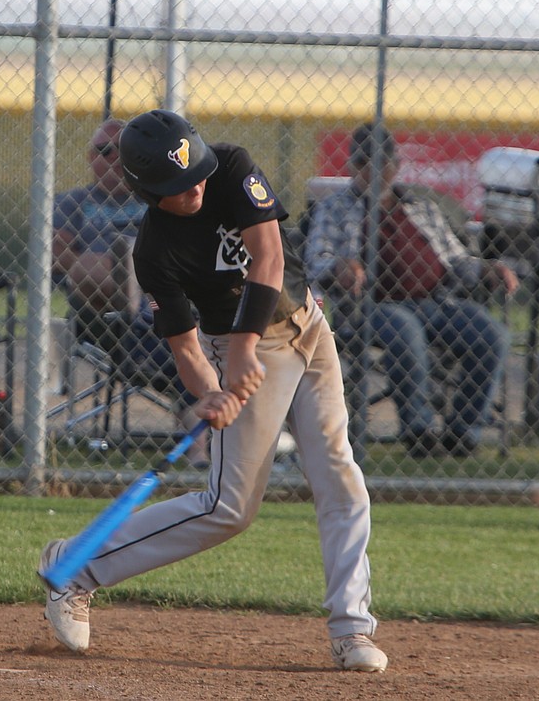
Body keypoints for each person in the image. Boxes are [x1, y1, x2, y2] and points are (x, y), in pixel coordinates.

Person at [38, 109, 389, 672]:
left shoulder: (230, 167)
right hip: (240, 346)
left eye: (196, 171)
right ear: (148, 192)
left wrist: (245, 346)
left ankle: (351, 630)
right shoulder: (154, 252)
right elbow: (185, 350)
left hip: (306, 329)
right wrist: (208, 393)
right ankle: (76, 567)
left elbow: (269, 257)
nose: (196, 186)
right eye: (179, 186)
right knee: (227, 509)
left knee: (340, 476)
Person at [303, 123, 518, 457]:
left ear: (395, 166)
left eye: (382, 163)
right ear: (352, 167)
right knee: (406, 329)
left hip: (435, 302)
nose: (373, 171)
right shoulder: (335, 208)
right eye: (363, 164)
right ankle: (419, 431)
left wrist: (488, 267)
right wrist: (339, 266)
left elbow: (457, 260)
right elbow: (315, 260)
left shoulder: (420, 207)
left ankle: (463, 432)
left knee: (491, 336)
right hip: (368, 308)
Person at [53, 118, 207, 467]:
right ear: (90, 157)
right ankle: (132, 280)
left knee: (170, 327)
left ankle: (201, 449)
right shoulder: (73, 202)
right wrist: (105, 268)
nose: (111, 160)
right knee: (105, 265)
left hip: (164, 308)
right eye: (103, 151)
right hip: (102, 312)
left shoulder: (160, 199)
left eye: (120, 153)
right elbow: (56, 254)